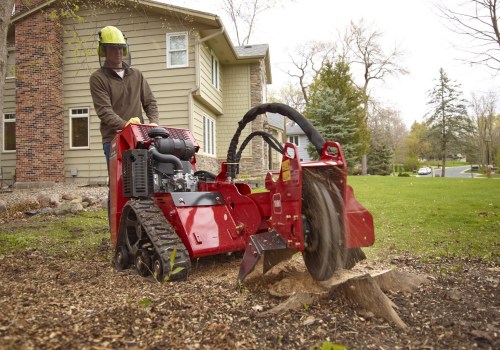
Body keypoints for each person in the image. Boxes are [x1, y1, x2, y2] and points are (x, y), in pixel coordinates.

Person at [89, 25, 159, 222]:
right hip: (113, 139)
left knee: (144, 183)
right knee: (118, 185)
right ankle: (116, 232)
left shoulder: (136, 75)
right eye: (113, 48)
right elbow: (104, 111)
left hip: (139, 137)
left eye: (121, 48)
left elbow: (150, 102)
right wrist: (126, 125)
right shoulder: (98, 78)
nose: (118, 52)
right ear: (104, 51)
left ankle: (142, 225)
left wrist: (154, 124)